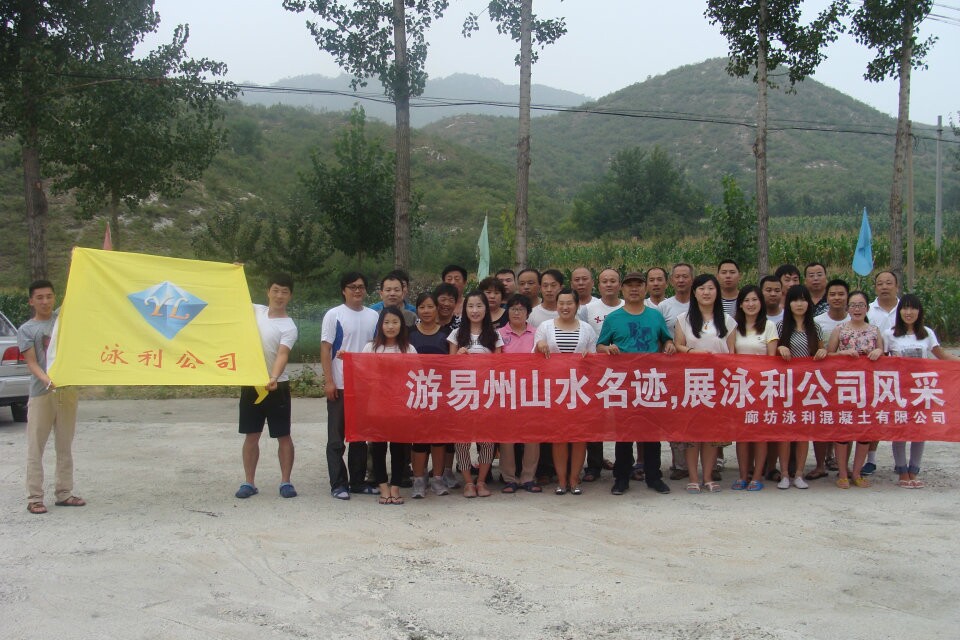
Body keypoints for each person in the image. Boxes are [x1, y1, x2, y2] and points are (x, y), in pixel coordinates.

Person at [596, 271, 676, 496]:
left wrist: (669, 344)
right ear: (622, 289)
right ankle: (621, 477)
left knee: (651, 433)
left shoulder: (655, 316)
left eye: (638, 285)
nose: (634, 289)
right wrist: (607, 348)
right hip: (623, 383)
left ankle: (654, 476)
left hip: (650, 381)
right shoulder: (613, 318)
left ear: (645, 289)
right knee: (624, 433)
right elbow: (599, 346)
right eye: (629, 285)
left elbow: (666, 338)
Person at [883, 294, 958, 489]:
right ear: (899, 312)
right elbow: (882, 360)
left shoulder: (927, 333)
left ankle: (914, 470)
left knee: (919, 429)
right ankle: (902, 471)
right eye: (905, 308)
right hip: (899, 389)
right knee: (900, 429)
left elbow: (941, 355)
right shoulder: (889, 334)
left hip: (922, 389)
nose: (909, 312)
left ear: (919, 311)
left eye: (913, 308)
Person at [21, 280, 83, 514]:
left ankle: (64, 493)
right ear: (31, 301)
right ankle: (35, 497)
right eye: (39, 298)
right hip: (41, 394)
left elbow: (79, 291)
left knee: (65, 445)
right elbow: (31, 362)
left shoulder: (62, 320)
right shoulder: (27, 330)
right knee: (35, 447)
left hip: (67, 393)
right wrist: (46, 380)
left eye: (49, 296)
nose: (45, 301)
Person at [235, 274, 299, 500]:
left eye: (284, 292)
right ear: (268, 292)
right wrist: (235, 272)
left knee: (283, 435)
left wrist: (274, 376)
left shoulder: (289, 326)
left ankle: (286, 482)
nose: (279, 296)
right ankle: (249, 482)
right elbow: (234, 296)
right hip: (252, 383)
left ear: (290, 296)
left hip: (277, 386)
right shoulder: (256, 311)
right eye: (276, 290)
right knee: (251, 435)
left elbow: (282, 354)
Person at [673, 274, 737, 494]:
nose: (706, 292)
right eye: (701, 288)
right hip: (691, 382)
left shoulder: (728, 321)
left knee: (711, 433)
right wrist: (693, 352)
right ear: (694, 292)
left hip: (718, 383)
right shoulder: (683, 319)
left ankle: (708, 476)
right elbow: (678, 346)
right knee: (692, 433)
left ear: (717, 292)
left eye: (710, 288)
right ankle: (693, 477)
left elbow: (732, 353)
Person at [321, 272, 379, 500]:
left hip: (364, 387)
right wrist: (329, 381)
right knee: (336, 439)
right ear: (343, 290)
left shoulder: (373, 316)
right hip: (340, 384)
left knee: (359, 437)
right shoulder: (334, 314)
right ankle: (338, 484)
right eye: (352, 286)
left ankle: (357, 482)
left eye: (361, 286)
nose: (357, 290)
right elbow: (326, 348)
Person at [534, 289, 598, 495]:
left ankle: (574, 479)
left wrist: (590, 357)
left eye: (569, 303)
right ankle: (561, 480)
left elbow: (595, 361)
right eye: (561, 303)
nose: (565, 307)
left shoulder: (587, 329)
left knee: (579, 437)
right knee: (559, 437)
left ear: (577, 305)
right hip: (555, 391)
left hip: (580, 390)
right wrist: (540, 345)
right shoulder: (545, 327)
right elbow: (534, 358)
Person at [826, 290, 884, 489]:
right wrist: (843, 354)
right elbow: (828, 355)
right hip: (845, 386)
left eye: (861, 305)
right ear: (847, 308)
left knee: (864, 430)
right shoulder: (840, 330)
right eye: (853, 305)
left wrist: (879, 351)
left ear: (867, 308)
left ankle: (857, 473)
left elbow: (884, 357)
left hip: (869, 388)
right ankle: (843, 473)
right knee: (843, 430)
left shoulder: (875, 330)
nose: (857, 309)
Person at [448, 291, 503, 497]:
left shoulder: (494, 336)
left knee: (487, 439)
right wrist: (458, 356)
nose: (475, 310)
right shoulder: (456, 334)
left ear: (486, 309)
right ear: (465, 310)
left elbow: (499, 366)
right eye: (470, 306)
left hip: (486, 394)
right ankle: (468, 482)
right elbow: (449, 366)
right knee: (462, 440)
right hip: (462, 394)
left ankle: (481, 481)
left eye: (479, 306)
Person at [364, 307, 418, 505]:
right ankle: (383, 487)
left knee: (398, 447)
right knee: (377, 447)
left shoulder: (409, 349)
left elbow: (416, 377)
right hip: (377, 405)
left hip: (400, 405)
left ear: (402, 325)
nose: (390, 326)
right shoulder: (370, 348)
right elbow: (362, 374)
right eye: (386, 322)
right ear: (380, 325)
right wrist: (348, 359)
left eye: (395, 322)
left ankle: (395, 486)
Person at [776, 285, 827, 489]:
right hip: (785, 387)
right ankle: (784, 474)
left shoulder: (816, 328)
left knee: (803, 432)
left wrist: (823, 352)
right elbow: (771, 354)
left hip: (808, 387)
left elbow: (822, 352)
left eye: (804, 300)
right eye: (795, 300)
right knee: (785, 432)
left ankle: (799, 473)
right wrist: (780, 348)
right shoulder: (780, 327)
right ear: (788, 304)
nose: (799, 304)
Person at [732, 285, 778, 491]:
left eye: (755, 300)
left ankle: (757, 476)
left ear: (761, 303)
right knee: (742, 435)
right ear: (740, 304)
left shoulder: (769, 326)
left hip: (763, 387)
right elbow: (730, 356)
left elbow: (771, 358)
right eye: (746, 300)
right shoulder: (734, 327)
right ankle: (743, 475)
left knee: (760, 434)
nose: (751, 304)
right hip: (740, 387)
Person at [579, 267, 624, 482]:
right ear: (598, 284)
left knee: (623, 419)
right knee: (595, 419)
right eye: (605, 281)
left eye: (613, 281)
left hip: (624, 372)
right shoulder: (588, 309)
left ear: (619, 284)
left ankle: (624, 464)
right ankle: (594, 465)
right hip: (595, 372)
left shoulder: (627, 307)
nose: (609, 284)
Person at [497, 294, 542, 494]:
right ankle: (509, 478)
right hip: (506, 390)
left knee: (532, 435)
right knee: (507, 436)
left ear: (528, 313)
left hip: (531, 391)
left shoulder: (537, 334)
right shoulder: (499, 334)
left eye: (521, 309)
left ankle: (528, 477)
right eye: (513, 309)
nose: (517, 312)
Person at [408, 292, 452, 497]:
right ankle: (418, 479)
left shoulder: (447, 334)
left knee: (439, 438)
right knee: (419, 437)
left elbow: (454, 363)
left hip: (440, 393)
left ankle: (438, 479)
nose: (426, 311)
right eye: (422, 307)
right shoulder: (409, 334)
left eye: (430, 307)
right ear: (417, 310)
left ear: (437, 309)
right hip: (415, 392)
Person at [810, 278, 851, 478]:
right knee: (821, 421)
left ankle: (842, 464)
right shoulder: (817, 321)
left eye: (841, 294)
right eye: (832, 294)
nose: (837, 298)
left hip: (848, 380)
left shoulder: (856, 319)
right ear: (827, 297)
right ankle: (820, 464)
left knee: (845, 422)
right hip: (822, 378)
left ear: (847, 297)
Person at [659, 262, 694, 481]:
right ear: (671, 280)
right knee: (676, 416)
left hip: (699, 369)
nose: (681, 280)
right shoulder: (664, 307)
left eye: (685, 276)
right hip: (673, 369)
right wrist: (667, 343)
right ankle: (679, 464)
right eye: (677, 277)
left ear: (692, 279)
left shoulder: (700, 302)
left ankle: (713, 463)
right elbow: (660, 334)